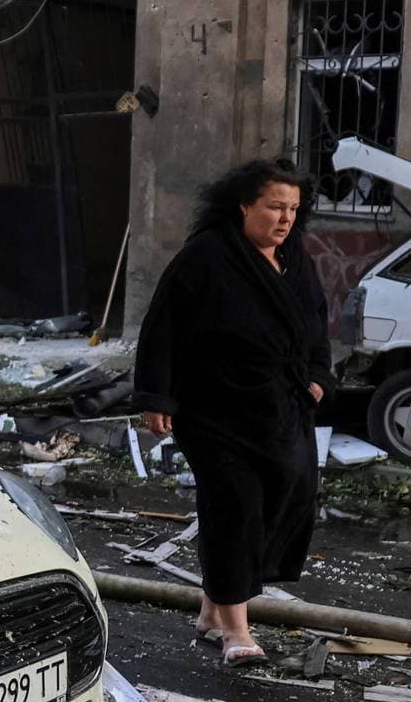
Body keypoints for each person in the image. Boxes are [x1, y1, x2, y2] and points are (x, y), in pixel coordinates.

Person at [133, 158, 333, 667]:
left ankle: (210, 610)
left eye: (293, 209)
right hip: (215, 410)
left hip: (281, 407)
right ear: (244, 206)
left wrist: (317, 376)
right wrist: (157, 398)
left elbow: (316, 323)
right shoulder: (206, 257)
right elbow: (163, 328)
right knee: (235, 509)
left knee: (289, 497)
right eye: (274, 207)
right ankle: (236, 633)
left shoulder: (295, 260)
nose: (285, 219)